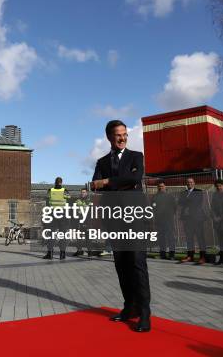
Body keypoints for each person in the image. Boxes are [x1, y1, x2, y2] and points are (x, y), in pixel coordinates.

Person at [91, 119, 151, 333]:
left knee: (137, 263)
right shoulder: (101, 162)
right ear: (109, 137)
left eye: (125, 134)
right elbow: (93, 184)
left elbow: (134, 177)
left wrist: (107, 182)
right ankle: (129, 307)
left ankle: (145, 313)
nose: (123, 138)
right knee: (122, 266)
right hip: (113, 219)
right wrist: (111, 183)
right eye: (118, 134)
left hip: (134, 218)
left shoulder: (136, 156)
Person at [178, 178, 208, 265]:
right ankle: (190, 256)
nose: (189, 183)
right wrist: (187, 201)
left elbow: (197, 202)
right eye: (188, 182)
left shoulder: (198, 191)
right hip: (187, 219)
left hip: (197, 219)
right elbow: (180, 203)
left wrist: (186, 201)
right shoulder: (183, 193)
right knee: (189, 238)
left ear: (194, 183)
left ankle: (202, 257)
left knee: (200, 238)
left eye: (191, 182)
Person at [43, 177, 70, 260]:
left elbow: (47, 202)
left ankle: (50, 253)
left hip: (52, 213)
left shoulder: (50, 190)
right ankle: (62, 254)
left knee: (51, 234)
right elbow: (68, 199)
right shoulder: (65, 190)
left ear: (55, 182)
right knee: (63, 234)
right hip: (62, 214)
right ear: (61, 183)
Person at [152, 182, 176, 260]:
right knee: (161, 237)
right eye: (159, 187)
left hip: (168, 219)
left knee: (170, 237)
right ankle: (162, 254)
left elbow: (175, 206)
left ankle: (171, 255)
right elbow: (153, 206)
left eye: (162, 186)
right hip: (159, 220)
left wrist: (171, 214)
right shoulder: (155, 197)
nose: (160, 188)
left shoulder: (170, 196)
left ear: (165, 187)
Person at [72, 188, 91, 257]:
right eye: (82, 192)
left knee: (88, 237)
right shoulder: (77, 201)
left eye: (84, 192)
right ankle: (79, 251)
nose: (83, 193)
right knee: (79, 237)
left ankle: (89, 251)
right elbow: (74, 211)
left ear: (87, 193)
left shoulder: (89, 201)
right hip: (79, 220)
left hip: (87, 220)